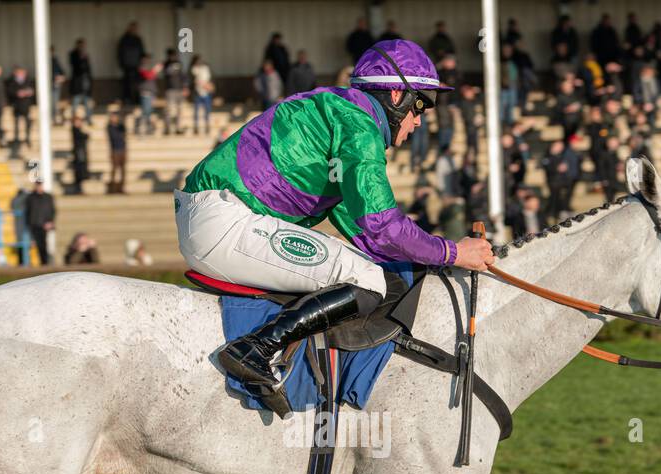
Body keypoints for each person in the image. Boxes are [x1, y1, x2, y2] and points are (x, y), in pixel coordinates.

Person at [175, 39, 494, 413]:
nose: (420, 120)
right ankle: (255, 348)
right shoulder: (359, 127)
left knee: (369, 268)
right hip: (225, 221)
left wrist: (426, 257)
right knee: (369, 281)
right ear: (396, 96)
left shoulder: (342, 112)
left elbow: (365, 234)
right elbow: (383, 226)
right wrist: (453, 252)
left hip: (217, 217)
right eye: (421, 104)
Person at [24, 180, 56, 264]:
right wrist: (28, 224)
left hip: (44, 225)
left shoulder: (48, 197)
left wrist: (50, 222)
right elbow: (28, 212)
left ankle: (44, 262)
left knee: (43, 244)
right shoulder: (30, 197)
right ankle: (33, 262)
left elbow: (52, 210)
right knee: (34, 244)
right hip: (34, 225)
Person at [117, 22, 146, 106]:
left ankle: (137, 99)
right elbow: (120, 53)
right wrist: (122, 63)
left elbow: (142, 52)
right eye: (132, 28)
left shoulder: (138, 39)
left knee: (137, 83)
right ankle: (127, 99)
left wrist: (142, 63)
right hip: (127, 65)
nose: (134, 30)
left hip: (137, 65)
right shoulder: (124, 39)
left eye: (135, 28)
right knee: (127, 83)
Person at [7, 66, 35, 152]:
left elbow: (33, 90)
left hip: (26, 105)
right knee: (16, 123)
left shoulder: (28, 81)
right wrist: (17, 93)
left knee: (27, 123)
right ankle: (16, 139)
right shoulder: (12, 81)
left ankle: (27, 138)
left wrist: (27, 92)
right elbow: (10, 91)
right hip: (17, 105)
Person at [69, 39, 94, 122]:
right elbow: (75, 67)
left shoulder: (85, 55)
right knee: (75, 102)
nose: (82, 47)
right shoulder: (73, 54)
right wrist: (81, 58)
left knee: (87, 102)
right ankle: (73, 118)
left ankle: (88, 119)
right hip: (77, 84)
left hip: (85, 83)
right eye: (81, 45)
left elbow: (88, 69)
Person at [190, 55, 214, 134]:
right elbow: (195, 80)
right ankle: (196, 127)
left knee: (207, 110)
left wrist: (208, 86)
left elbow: (209, 80)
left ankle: (207, 126)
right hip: (197, 92)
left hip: (206, 93)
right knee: (196, 111)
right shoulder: (194, 69)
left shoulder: (206, 69)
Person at [106, 109, 127, 193]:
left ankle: (121, 188)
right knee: (114, 170)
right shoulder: (110, 127)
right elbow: (115, 137)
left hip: (122, 150)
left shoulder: (120, 126)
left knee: (123, 170)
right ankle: (112, 188)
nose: (115, 118)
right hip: (115, 151)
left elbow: (124, 130)